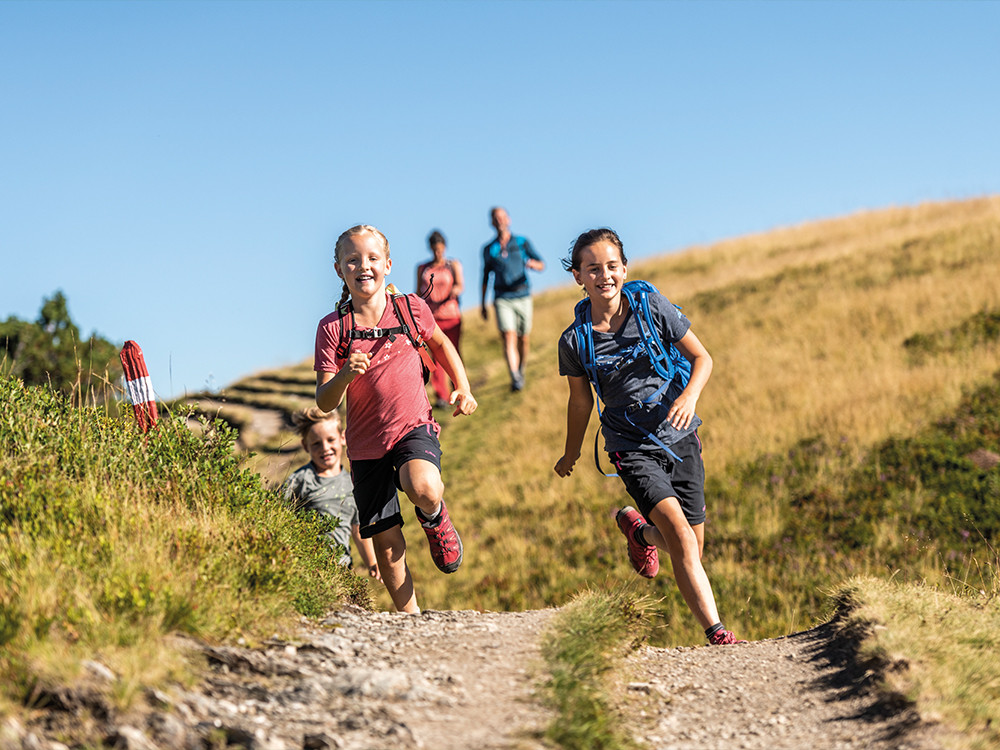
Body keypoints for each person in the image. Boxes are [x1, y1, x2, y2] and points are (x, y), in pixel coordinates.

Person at [553, 227, 745, 646]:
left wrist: (690, 397)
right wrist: (571, 453)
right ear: (578, 277)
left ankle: (638, 532)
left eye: (611, 266)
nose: (604, 275)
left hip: (680, 436)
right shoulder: (575, 341)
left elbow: (702, 357)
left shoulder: (652, 307)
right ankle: (717, 632)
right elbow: (581, 403)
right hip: (630, 446)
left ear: (624, 268)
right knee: (679, 535)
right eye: (592, 269)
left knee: (691, 544)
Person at [314, 224, 478, 614]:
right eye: (352, 260)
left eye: (372, 258)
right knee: (387, 549)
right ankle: (411, 620)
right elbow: (324, 401)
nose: (363, 266)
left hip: (412, 427)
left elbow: (441, 344)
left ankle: (435, 517)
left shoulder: (410, 309)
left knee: (424, 487)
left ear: (388, 265)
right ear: (339, 270)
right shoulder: (333, 328)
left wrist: (463, 386)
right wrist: (345, 375)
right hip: (367, 446)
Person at [282, 407, 380, 580]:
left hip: (342, 571)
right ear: (305, 446)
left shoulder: (353, 484)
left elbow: (357, 530)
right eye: (316, 443)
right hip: (306, 570)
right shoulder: (300, 480)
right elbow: (278, 518)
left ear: (343, 438)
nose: (325, 448)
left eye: (330, 440)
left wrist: (372, 563)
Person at [480, 206, 545, 391]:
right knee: (509, 335)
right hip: (502, 297)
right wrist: (483, 303)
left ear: (508, 219)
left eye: (502, 217)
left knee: (523, 337)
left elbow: (542, 263)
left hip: (523, 294)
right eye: (496, 218)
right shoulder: (488, 249)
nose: (500, 221)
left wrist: (534, 265)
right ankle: (515, 376)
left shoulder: (522, 242)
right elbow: (485, 277)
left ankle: (521, 370)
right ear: (492, 223)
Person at [416, 229, 464, 410]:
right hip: (431, 318)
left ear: (444, 248)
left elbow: (460, 285)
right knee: (435, 356)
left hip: (451, 314)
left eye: (440, 249)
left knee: (453, 352)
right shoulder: (423, 268)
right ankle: (441, 395)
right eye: (435, 249)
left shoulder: (453, 265)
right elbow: (418, 291)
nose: (438, 253)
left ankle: (459, 387)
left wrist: (452, 293)